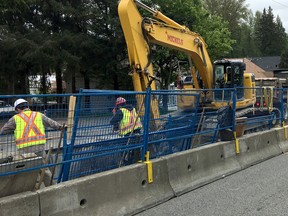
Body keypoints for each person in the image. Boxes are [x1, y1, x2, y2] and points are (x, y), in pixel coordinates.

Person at [0, 98, 64, 187]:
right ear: (27, 106)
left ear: (18, 109)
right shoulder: (38, 115)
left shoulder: (15, 118)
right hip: (39, 147)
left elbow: (3, 131)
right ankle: (52, 187)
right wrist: (62, 127)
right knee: (44, 169)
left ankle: (29, 188)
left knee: (27, 170)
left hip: (24, 149)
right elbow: (52, 123)